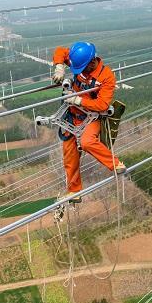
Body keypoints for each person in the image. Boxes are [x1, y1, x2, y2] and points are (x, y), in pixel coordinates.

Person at [52, 41, 126, 202]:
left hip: (91, 117)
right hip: (72, 115)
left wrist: (78, 100)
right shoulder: (79, 60)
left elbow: (102, 104)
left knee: (87, 142)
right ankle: (74, 191)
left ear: (92, 61)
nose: (80, 71)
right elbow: (60, 50)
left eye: (82, 68)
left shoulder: (106, 76)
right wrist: (59, 66)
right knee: (69, 155)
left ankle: (115, 164)